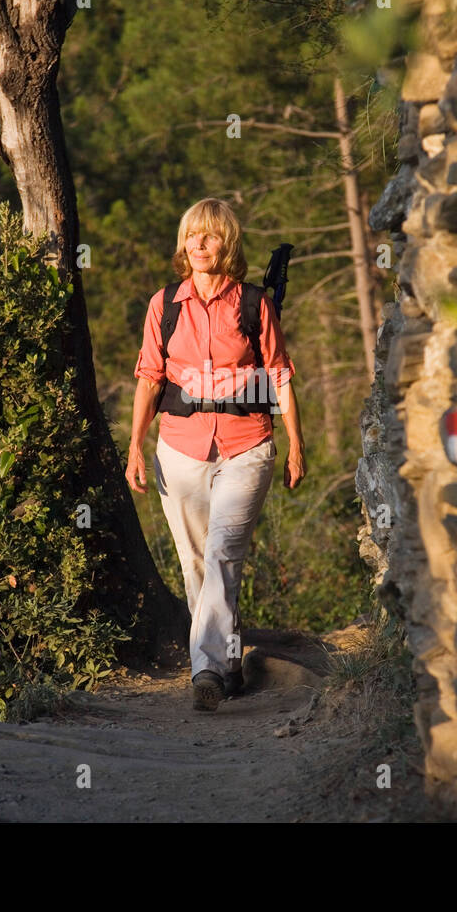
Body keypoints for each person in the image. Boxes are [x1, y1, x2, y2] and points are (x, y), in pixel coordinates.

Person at [126, 197, 306, 712]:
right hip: (179, 449)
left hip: (247, 444)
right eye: (190, 236)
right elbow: (148, 378)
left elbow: (279, 374)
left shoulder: (253, 303)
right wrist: (135, 447)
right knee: (196, 565)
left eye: (209, 236)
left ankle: (204, 670)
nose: (198, 244)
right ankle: (228, 663)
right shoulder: (164, 305)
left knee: (224, 553)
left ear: (227, 243)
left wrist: (296, 443)